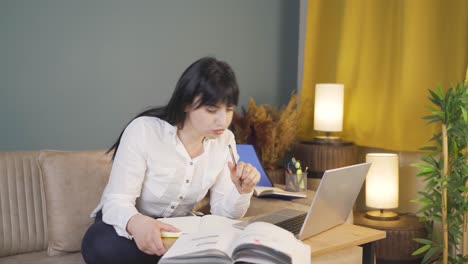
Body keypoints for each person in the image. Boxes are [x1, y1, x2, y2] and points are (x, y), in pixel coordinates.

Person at [81, 57, 261, 264]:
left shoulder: (225, 140)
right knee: (102, 245)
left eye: (229, 110)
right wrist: (138, 223)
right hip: (128, 224)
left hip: (177, 230)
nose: (223, 121)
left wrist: (242, 190)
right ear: (186, 103)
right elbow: (116, 201)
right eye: (211, 110)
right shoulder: (144, 131)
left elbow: (223, 214)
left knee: (233, 242)